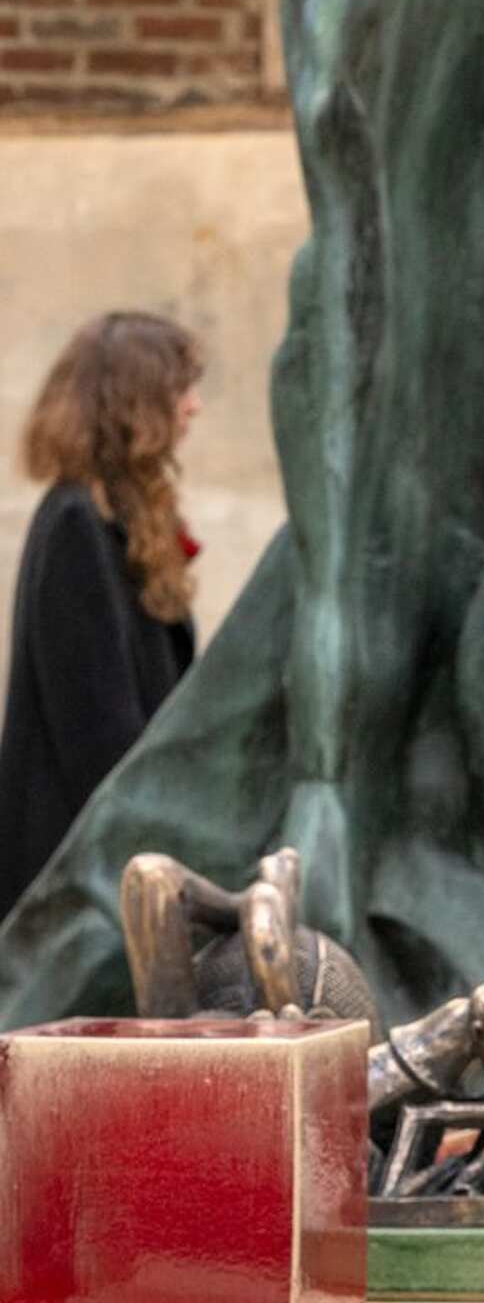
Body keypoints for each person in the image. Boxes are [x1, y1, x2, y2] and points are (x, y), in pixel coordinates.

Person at [0, 310, 202, 924]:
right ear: (134, 404)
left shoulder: (120, 520)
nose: (193, 407)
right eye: (180, 390)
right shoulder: (75, 525)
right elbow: (96, 734)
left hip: (115, 860)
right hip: (76, 882)